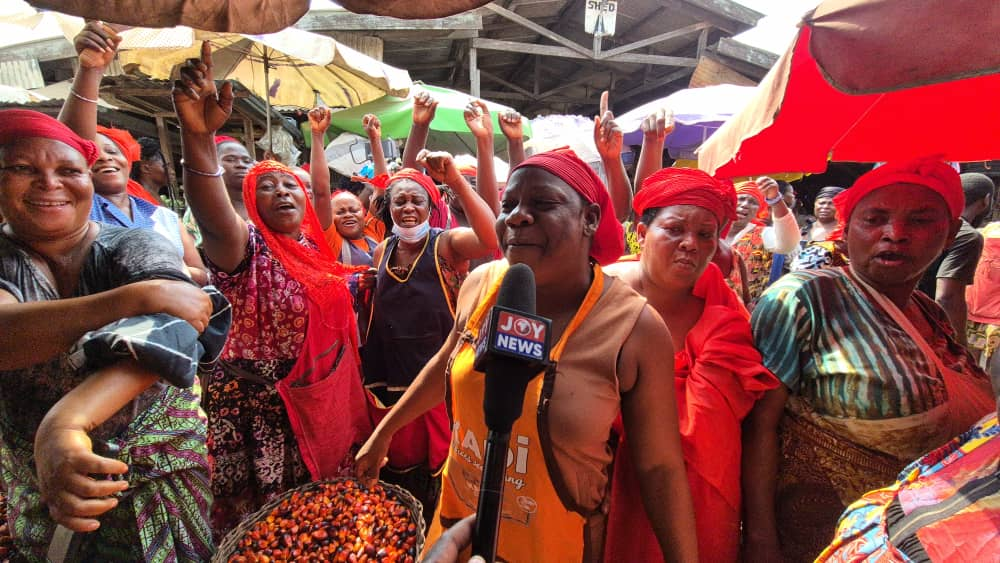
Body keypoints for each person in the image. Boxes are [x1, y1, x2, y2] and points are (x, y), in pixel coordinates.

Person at [356, 148, 699, 562]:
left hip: (554, 547)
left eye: (543, 203)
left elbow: (659, 467)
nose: (517, 216)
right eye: (509, 205)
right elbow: (447, 362)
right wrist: (384, 432)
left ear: (589, 218)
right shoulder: (482, 284)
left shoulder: (635, 329)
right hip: (456, 536)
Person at [741, 158, 996, 562]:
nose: (895, 234)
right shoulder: (805, 298)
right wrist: (760, 542)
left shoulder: (930, 314)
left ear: (949, 236)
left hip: (929, 543)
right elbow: (758, 427)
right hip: (821, 544)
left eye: (920, 220)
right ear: (846, 232)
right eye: (874, 219)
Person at [0, 109, 224, 561]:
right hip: (46, 480)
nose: (49, 183)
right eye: (24, 169)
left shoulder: (133, 244)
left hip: (158, 474)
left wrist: (66, 422)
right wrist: (131, 300)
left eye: (68, 170)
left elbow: (177, 328)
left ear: (89, 181)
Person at [172, 43, 371, 537]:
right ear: (248, 201)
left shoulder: (309, 245)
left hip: (318, 395)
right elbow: (210, 215)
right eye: (268, 187)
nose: (283, 192)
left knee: (318, 520)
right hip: (258, 410)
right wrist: (198, 136)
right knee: (268, 526)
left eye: (290, 187)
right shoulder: (242, 246)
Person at [603, 168, 780, 562]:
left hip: (703, 507)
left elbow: (752, 411)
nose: (691, 244)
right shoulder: (601, 295)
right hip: (607, 494)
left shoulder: (722, 308)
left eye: (705, 234)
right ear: (642, 233)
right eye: (675, 229)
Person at [360, 153, 499, 523]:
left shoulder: (446, 245)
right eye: (400, 201)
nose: (408, 207)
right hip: (395, 380)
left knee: (443, 466)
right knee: (403, 469)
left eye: (416, 200)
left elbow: (490, 238)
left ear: (430, 206)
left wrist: (455, 181)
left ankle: (441, 530)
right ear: (388, 207)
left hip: (441, 381)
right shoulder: (381, 251)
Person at [58, 22, 208, 286]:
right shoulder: (78, 211)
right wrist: (90, 71)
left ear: (128, 160)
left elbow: (203, 275)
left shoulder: (162, 217)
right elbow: (70, 148)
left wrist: (168, 270)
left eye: (112, 151)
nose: (105, 158)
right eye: (94, 154)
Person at [917, 172, 993, 344]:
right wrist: (960, 346)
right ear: (986, 200)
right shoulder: (967, 236)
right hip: (925, 325)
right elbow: (947, 297)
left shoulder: (927, 221)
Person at [724, 178, 801, 305]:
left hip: (747, 312)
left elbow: (788, 243)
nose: (745, 205)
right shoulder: (712, 232)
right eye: (741, 199)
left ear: (759, 210)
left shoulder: (763, 234)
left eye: (753, 202)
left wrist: (776, 200)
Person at [130, 136, 169, 203]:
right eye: (165, 166)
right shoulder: (141, 201)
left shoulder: (153, 197)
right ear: (145, 168)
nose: (172, 171)